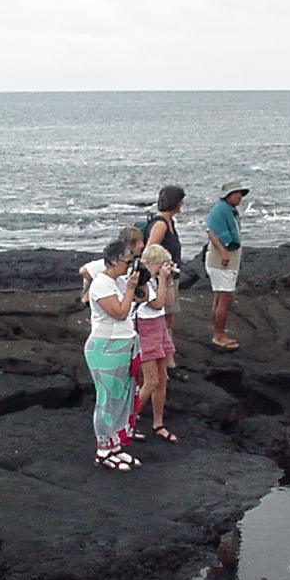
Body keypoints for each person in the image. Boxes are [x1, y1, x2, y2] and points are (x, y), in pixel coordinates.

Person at [85, 238, 148, 471]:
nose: (129, 267)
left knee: (122, 399)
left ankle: (116, 446)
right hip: (106, 347)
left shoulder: (119, 281)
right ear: (113, 260)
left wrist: (142, 280)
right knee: (107, 400)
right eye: (127, 262)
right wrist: (130, 288)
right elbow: (120, 313)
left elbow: (141, 298)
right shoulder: (101, 284)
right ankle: (103, 450)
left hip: (124, 344)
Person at [134, 243, 179, 442]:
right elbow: (157, 303)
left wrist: (168, 281)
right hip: (145, 329)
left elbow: (167, 302)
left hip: (158, 326)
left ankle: (158, 423)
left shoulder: (155, 281)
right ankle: (129, 419)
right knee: (151, 380)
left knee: (162, 379)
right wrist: (161, 279)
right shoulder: (142, 282)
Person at [144, 185, 185, 369]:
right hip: (162, 277)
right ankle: (167, 358)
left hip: (170, 275)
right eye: (181, 201)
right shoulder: (160, 224)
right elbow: (150, 252)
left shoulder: (170, 222)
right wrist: (159, 274)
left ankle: (167, 355)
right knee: (164, 316)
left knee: (169, 317)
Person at [205, 181, 249, 350]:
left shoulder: (228, 211)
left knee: (219, 297)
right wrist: (223, 251)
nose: (239, 197)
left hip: (225, 261)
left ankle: (218, 333)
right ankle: (219, 336)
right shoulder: (220, 210)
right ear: (228, 195)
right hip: (221, 262)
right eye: (236, 193)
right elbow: (211, 231)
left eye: (240, 194)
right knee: (224, 298)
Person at [79, 225, 144, 304]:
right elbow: (83, 271)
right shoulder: (113, 262)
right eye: (139, 242)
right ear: (131, 243)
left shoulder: (130, 262)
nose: (142, 245)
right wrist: (94, 285)